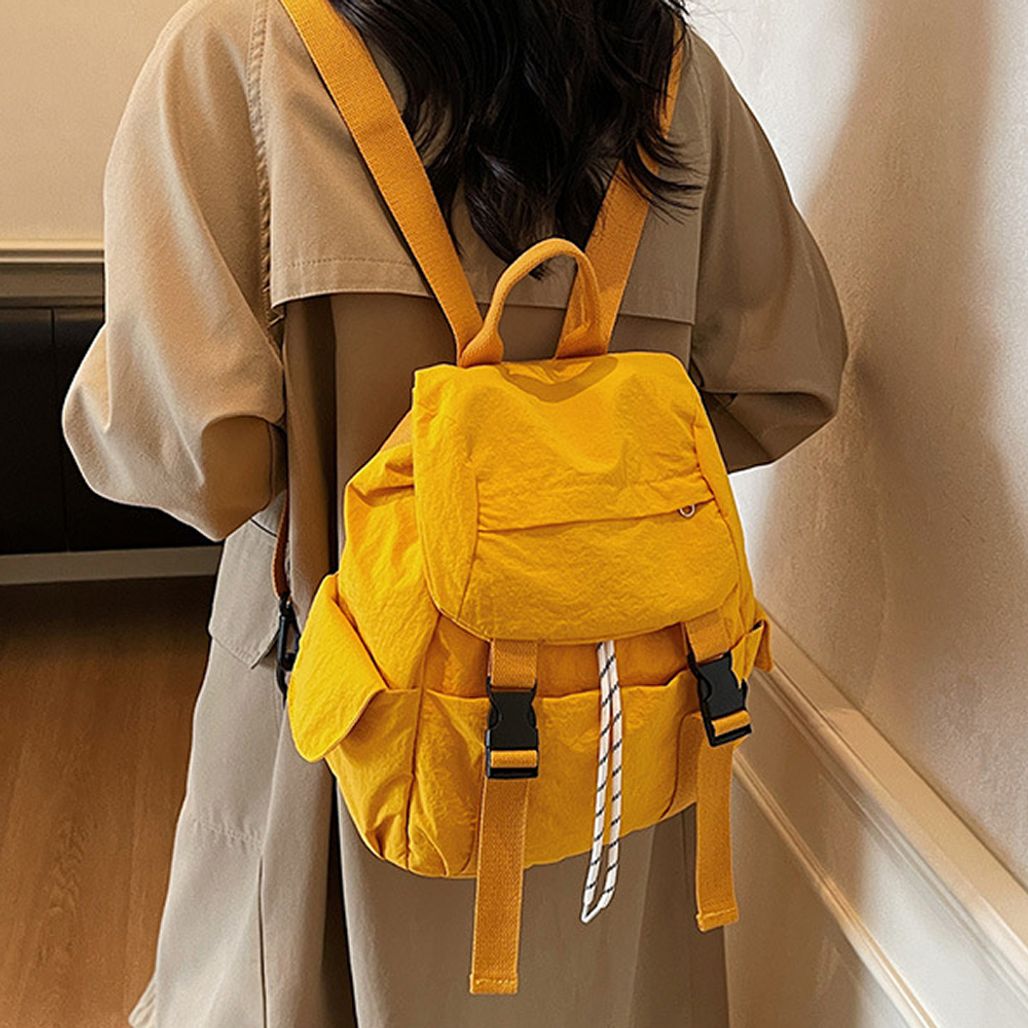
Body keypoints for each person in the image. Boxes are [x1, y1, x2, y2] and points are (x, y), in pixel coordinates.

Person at [61, 0, 849, 1024]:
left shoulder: (242, 51)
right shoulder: (670, 75)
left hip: (350, 714)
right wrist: (582, 493)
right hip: (620, 718)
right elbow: (788, 376)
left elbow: (200, 464)